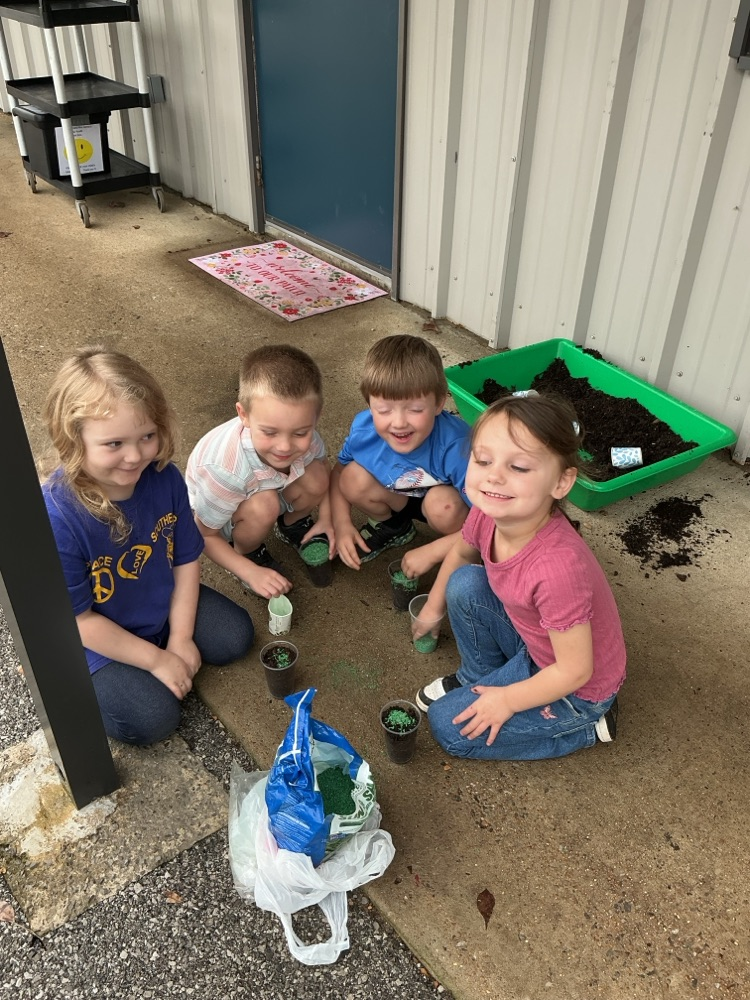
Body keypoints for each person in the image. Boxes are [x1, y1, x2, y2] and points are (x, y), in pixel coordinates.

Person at [42, 346, 254, 746]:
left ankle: (156, 652)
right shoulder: (58, 517)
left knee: (235, 637)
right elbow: (79, 620)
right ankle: (95, 685)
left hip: (156, 598)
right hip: (97, 634)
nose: (135, 455)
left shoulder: (163, 477)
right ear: (72, 438)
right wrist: (157, 659)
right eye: (114, 444)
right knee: (154, 719)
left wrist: (179, 638)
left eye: (148, 436)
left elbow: (187, 559)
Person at [412, 393, 626, 760]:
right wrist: (433, 607)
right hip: (537, 644)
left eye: (520, 468)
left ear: (561, 482)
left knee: (450, 728)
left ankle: (589, 727)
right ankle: (477, 677)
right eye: (483, 460)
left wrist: (509, 699)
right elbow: (462, 552)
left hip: (576, 687)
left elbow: (575, 670)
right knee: (463, 583)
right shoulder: (491, 511)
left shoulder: (557, 568)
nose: (494, 475)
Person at [186, 344, 333, 597]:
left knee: (318, 476)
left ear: (315, 417)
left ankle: (293, 526)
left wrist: (329, 518)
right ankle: (247, 553)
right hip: (222, 509)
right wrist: (248, 571)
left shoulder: (304, 437)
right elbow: (204, 535)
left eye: (300, 432)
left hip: (266, 485)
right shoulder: (225, 470)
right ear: (243, 415)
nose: (285, 446)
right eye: (269, 432)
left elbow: (324, 466)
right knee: (265, 506)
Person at [330, 334, 471, 576]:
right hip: (400, 494)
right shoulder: (364, 430)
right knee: (352, 477)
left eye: (415, 409)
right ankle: (395, 526)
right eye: (383, 410)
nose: (399, 423)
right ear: (369, 404)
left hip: (447, 508)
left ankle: (462, 550)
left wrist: (434, 551)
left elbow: (491, 521)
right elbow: (339, 471)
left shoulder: (458, 445)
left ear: (439, 402)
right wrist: (342, 523)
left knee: (444, 507)